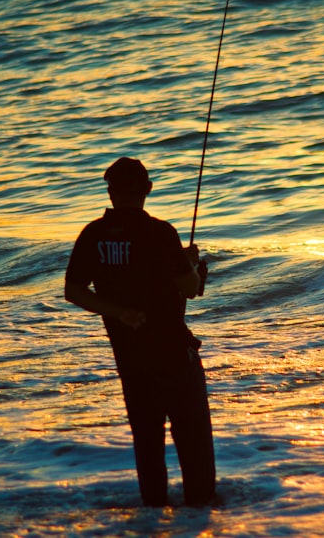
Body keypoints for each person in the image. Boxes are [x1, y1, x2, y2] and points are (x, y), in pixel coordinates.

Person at [64, 157, 216, 507]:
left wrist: (120, 312)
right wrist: (191, 263)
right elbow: (191, 288)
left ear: (110, 191)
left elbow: (74, 291)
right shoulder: (160, 233)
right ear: (147, 189)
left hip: (130, 358)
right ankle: (199, 515)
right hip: (175, 355)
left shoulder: (93, 234)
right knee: (193, 444)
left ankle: (154, 515)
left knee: (147, 444)